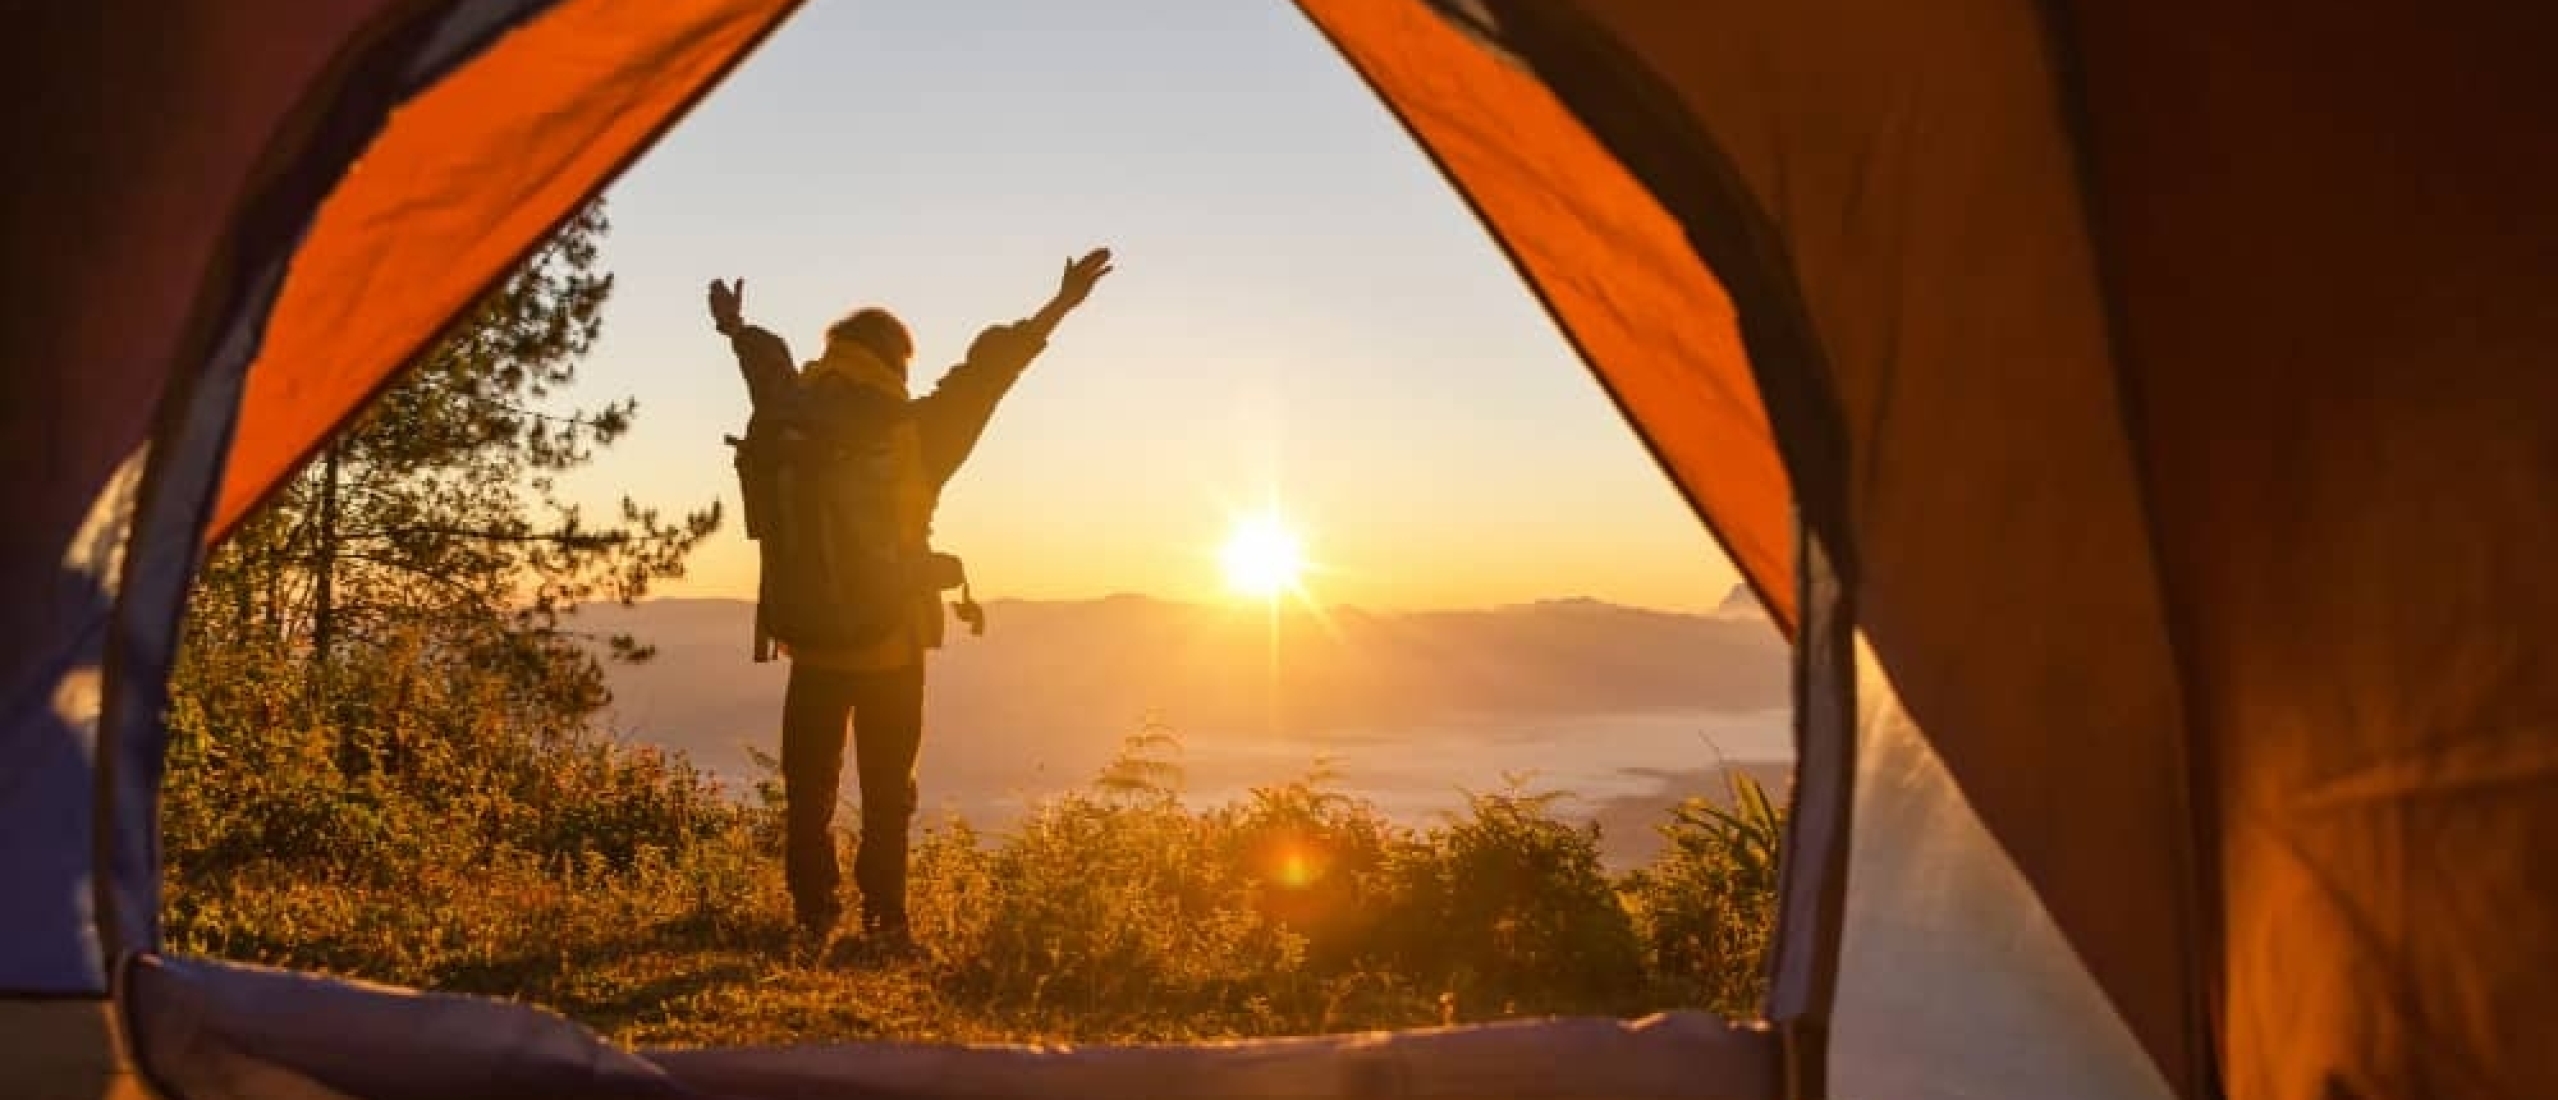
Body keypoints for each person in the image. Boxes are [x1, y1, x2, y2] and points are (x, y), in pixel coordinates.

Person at [707, 248, 1114, 946]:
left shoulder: (790, 412)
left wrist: (734, 325)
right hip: (890, 645)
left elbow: (765, 362)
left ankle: (811, 919)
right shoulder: (921, 431)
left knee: (808, 793)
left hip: (807, 640)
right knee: (887, 795)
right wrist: (1059, 306)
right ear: (897, 361)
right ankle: (885, 925)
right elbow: (990, 373)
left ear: (834, 352)